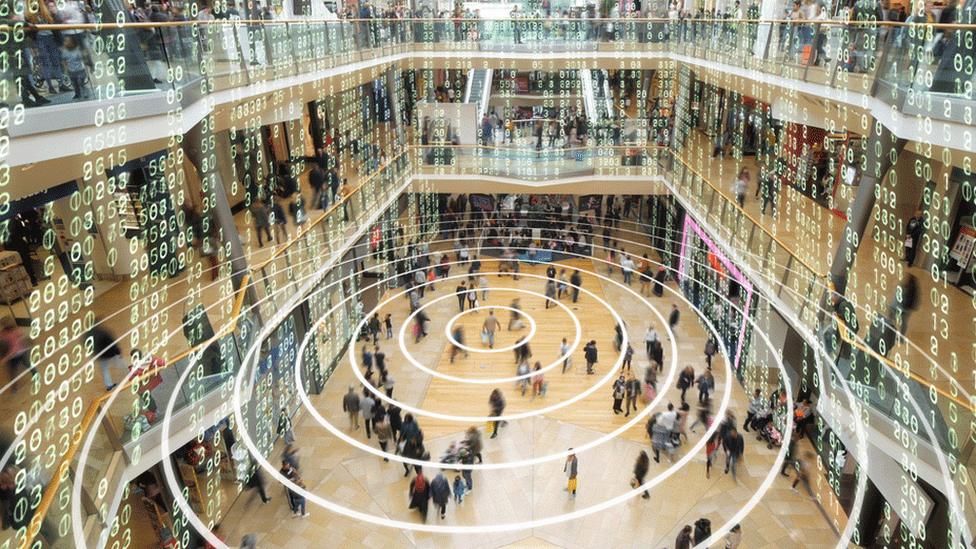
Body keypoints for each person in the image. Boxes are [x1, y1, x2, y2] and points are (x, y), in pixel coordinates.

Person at [89, 322, 125, 391]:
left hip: (102, 356)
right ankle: (128, 375)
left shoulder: (91, 335)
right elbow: (112, 343)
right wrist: (118, 352)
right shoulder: (105, 332)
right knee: (120, 363)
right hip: (110, 353)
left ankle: (109, 385)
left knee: (105, 370)